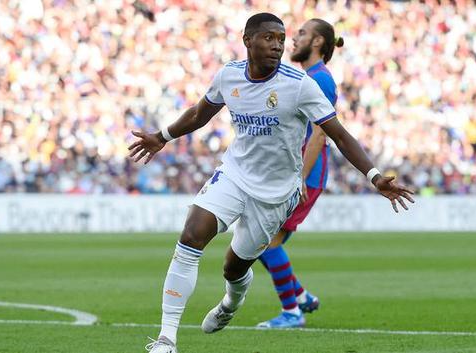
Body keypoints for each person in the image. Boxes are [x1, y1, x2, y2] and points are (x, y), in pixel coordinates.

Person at [128, 13, 414, 353]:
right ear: (248, 40)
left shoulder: (299, 85)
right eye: (268, 38)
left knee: (234, 266)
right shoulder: (229, 75)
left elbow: (337, 133)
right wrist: (163, 136)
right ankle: (166, 339)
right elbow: (199, 113)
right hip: (234, 175)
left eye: (281, 38)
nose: (277, 45)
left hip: (276, 192)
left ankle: (231, 303)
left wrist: (375, 176)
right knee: (191, 235)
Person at [256, 18, 344, 329]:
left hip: (306, 174)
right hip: (296, 173)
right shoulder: (309, 77)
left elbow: (319, 135)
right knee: (258, 240)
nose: (293, 39)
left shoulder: (320, 80)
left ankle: (292, 311)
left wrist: (298, 179)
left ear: (318, 42)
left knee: (266, 242)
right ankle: (300, 297)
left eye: (302, 34)